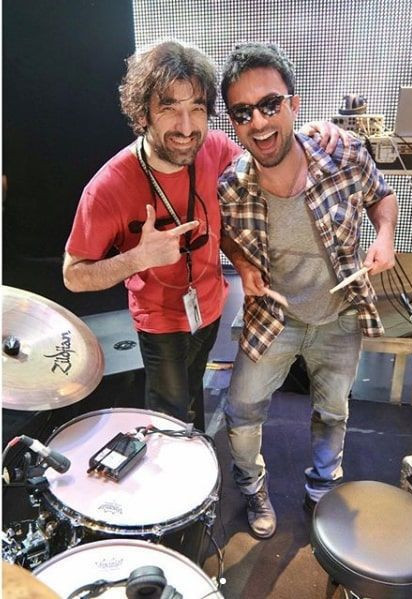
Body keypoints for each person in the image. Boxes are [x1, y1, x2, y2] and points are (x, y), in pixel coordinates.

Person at [63, 40, 345, 432]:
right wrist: (137, 259)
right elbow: (74, 275)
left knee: (193, 394)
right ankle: (174, 458)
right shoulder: (109, 187)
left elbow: (265, 159)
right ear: (143, 113)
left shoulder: (213, 147)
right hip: (160, 321)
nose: (186, 127)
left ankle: (193, 444)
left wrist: (310, 134)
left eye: (197, 108)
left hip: (210, 306)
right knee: (169, 415)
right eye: (169, 109)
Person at [218, 42, 398, 538]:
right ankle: (252, 487)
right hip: (274, 317)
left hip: (340, 313)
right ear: (233, 122)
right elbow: (225, 233)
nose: (258, 122)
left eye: (270, 104)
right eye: (243, 112)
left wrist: (384, 235)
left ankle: (322, 489)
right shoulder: (231, 186)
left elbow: (381, 196)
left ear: (294, 103)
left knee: (333, 410)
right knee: (241, 410)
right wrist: (241, 263)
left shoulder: (344, 153)